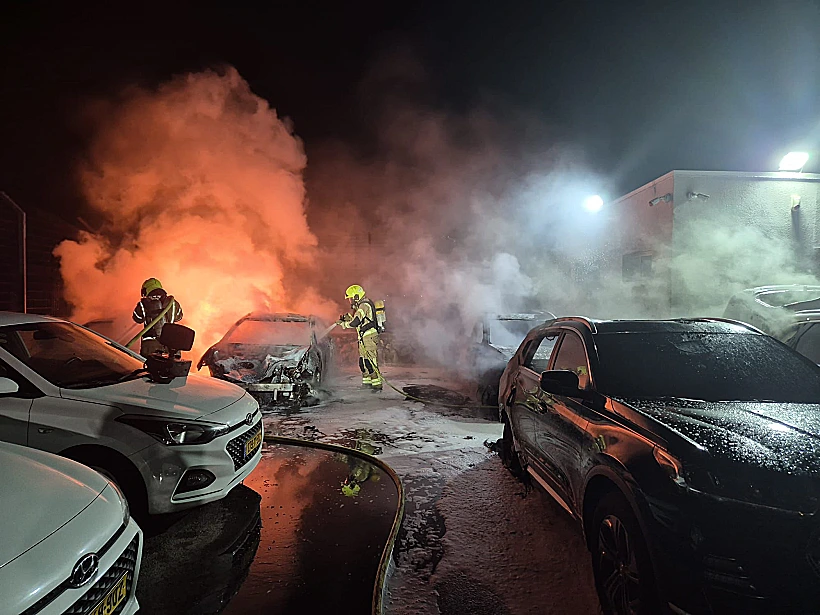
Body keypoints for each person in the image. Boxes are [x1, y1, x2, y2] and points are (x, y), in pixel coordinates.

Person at [338, 284, 383, 390]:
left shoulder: (364, 305)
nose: (350, 301)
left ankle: (377, 386)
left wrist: (344, 324)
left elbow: (356, 322)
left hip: (369, 337)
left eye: (350, 298)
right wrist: (348, 318)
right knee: (363, 363)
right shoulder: (361, 306)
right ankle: (367, 385)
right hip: (363, 338)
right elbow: (359, 320)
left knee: (370, 362)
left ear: (356, 296)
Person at [132, 278, 183, 357]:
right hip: (171, 344)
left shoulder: (144, 304)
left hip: (151, 346)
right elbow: (179, 317)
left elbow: (137, 318)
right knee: (170, 367)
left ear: (145, 291)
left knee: (150, 367)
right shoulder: (173, 303)